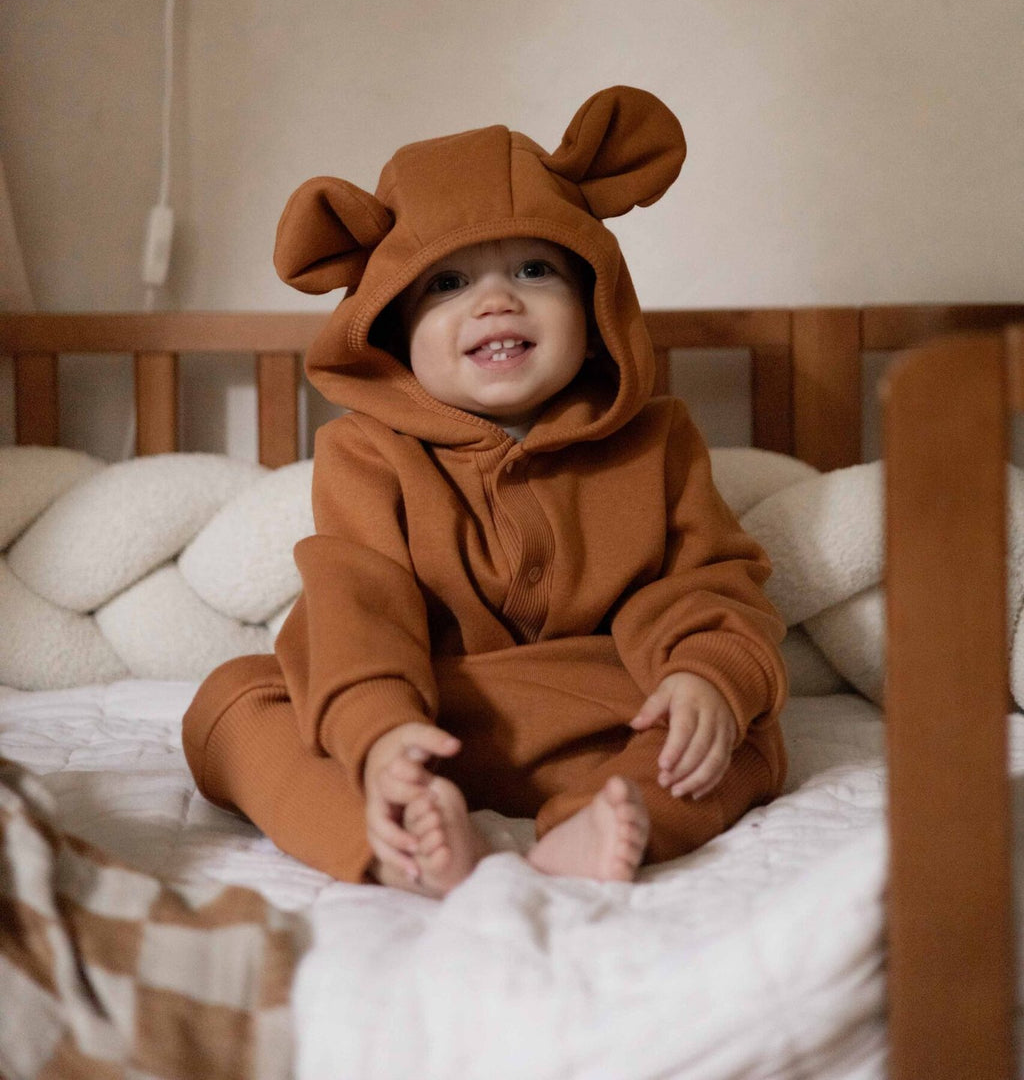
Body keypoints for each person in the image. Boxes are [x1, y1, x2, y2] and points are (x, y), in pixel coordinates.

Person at [183, 86, 787, 896]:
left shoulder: (656, 439)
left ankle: (597, 821)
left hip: (600, 714)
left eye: (535, 268)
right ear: (393, 329)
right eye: (447, 284)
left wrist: (707, 674)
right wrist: (380, 731)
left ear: (595, 299)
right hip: (429, 714)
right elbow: (358, 605)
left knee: (741, 728)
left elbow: (704, 580)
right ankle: (401, 830)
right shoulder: (364, 452)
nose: (495, 299)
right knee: (232, 703)